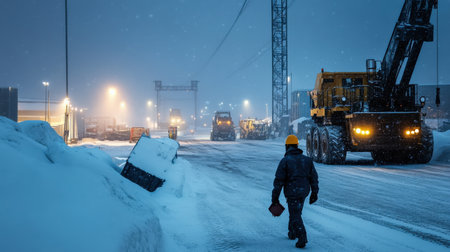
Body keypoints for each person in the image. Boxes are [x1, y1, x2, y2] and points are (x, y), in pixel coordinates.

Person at [271, 135, 319, 249]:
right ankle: (292, 232)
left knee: (295, 214)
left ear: (287, 146)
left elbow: (278, 181)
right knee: (296, 212)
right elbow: (314, 178)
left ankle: (302, 237)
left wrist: (275, 198)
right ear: (297, 146)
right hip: (303, 192)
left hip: (292, 192)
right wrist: (314, 193)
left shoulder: (285, 161)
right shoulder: (307, 160)